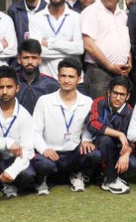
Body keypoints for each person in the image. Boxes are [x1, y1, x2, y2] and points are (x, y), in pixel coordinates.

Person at [32, 58, 101, 195]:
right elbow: (34, 131)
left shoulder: (87, 102)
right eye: (63, 76)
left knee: (95, 154)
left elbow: (88, 126)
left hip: (73, 152)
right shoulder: (45, 101)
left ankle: (77, 174)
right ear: (57, 77)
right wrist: (44, 149)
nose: (66, 80)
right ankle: (43, 179)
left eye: (71, 77)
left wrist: (86, 139)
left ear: (79, 78)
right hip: (50, 153)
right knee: (43, 164)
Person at [0, 66, 37, 199]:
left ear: (17, 88)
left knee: (29, 175)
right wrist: (7, 142)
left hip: (12, 159)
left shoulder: (25, 116)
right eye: (0, 87)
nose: (4, 91)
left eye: (9, 87)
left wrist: (12, 171)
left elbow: (27, 150)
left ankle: (5, 180)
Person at [86, 76, 136, 195]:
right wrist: (119, 134)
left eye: (122, 95)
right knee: (105, 140)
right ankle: (111, 180)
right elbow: (93, 124)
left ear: (128, 96)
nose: (118, 98)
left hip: (118, 150)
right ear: (109, 92)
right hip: (99, 145)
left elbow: (133, 138)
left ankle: (106, 177)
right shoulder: (99, 102)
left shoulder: (131, 112)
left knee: (132, 164)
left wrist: (126, 154)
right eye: (115, 93)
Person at [81, 0, 132, 99]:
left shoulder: (123, 16)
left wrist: (129, 62)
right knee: (99, 112)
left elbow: (126, 43)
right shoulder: (91, 12)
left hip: (121, 74)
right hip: (99, 73)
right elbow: (88, 45)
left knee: (117, 114)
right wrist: (109, 66)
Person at [28, 0, 84, 78]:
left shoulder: (76, 17)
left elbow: (79, 49)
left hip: (72, 78)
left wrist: (50, 43)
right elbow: (35, 52)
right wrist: (68, 51)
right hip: (45, 78)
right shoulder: (36, 18)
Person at [15, 39, 60, 114]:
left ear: (40, 59)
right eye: (26, 58)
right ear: (19, 59)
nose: (30, 62)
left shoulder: (51, 85)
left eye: (34, 58)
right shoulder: (11, 83)